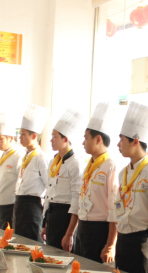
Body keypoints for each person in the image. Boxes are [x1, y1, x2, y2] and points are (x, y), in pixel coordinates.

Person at [115, 101, 148, 273]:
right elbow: (118, 203)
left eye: (121, 140)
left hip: (142, 241)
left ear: (135, 141)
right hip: (122, 238)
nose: (118, 144)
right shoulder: (123, 173)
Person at [76, 102, 119, 263]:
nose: (83, 142)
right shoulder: (89, 166)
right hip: (83, 226)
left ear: (98, 139)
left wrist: (110, 244)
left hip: (99, 230)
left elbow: (114, 209)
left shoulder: (111, 166)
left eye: (86, 138)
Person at [42, 108, 85, 252]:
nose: (51, 140)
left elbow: (76, 199)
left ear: (65, 139)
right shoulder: (53, 162)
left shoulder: (75, 164)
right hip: (52, 215)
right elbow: (49, 193)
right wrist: (45, 224)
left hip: (65, 217)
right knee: (49, 255)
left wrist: (70, 234)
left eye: (54, 137)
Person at [13, 103, 50, 242]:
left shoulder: (41, 157)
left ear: (34, 136)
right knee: (19, 243)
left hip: (32, 207)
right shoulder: (25, 156)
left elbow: (49, 186)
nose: (19, 137)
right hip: (20, 204)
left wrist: (45, 216)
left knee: (31, 244)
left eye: (23, 134)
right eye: (20, 133)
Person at [0, 112, 25, 230]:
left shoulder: (18, 155)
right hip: (0, 206)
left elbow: (21, 182)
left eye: (1, 139)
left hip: (10, 206)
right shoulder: (5, 154)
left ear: (10, 138)